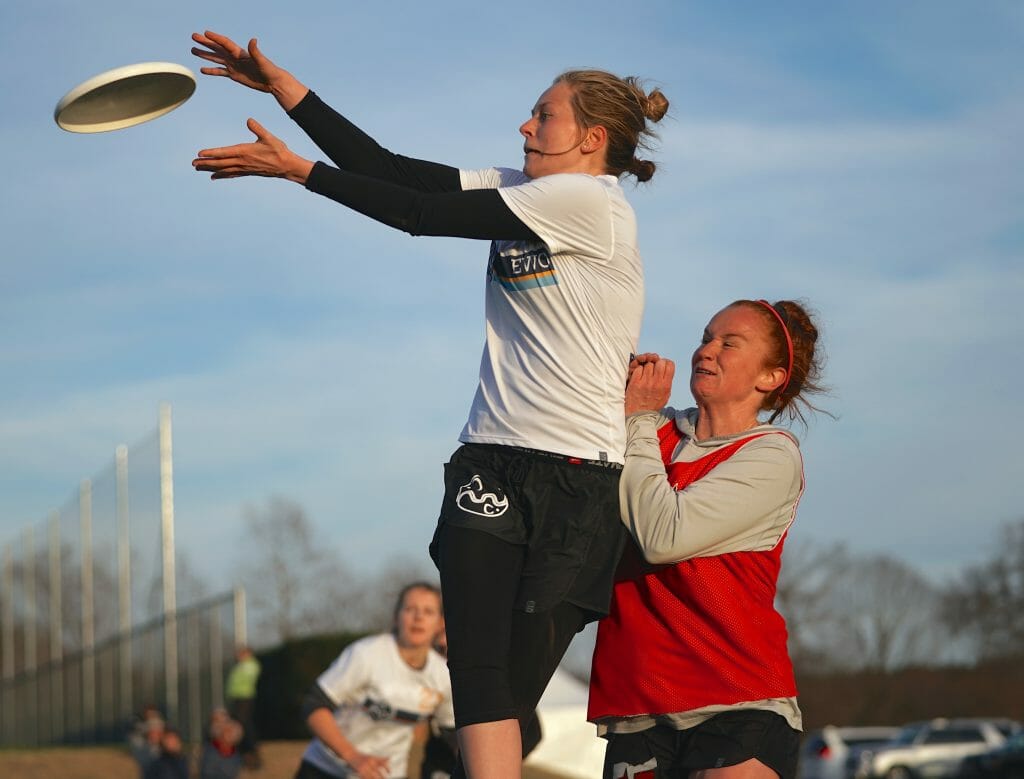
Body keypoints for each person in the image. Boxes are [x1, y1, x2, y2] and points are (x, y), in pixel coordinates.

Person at [190, 30, 669, 779]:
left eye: (543, 116)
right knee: (475, 679)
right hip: (490, 458)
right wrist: (287, 88)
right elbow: (389, 170)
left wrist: (297, 171)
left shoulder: (591, 204)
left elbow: (417, 212)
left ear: (592, 139)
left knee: (506, 700)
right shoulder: (523, 184)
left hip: (579, 481)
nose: (524, 126)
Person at [588, 299, 828, 779]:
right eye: (705, 337)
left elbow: (663, 536)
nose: (706, 351)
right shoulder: (650, 429)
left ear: (770, 378)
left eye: (729, 343)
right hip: (637, 701)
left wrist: (636, 420)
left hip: (738, 699)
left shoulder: (771, 456)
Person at [294, 581, 454, 779]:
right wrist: (352, 756)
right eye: (410, 609)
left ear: (441, 623)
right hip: (325, 770)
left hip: (388, 774)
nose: (418, 617)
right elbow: (313, 706)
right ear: (396, 617)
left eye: (428, 611)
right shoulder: (367, 654)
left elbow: (452, 734)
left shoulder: (442, 675)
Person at [225, 644, 262, 767]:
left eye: (241, 653)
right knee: (238, 722)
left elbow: (244, 680)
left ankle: (251, 747)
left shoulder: (250, 665)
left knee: (243, 722)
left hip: (245, 697)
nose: (238, 656)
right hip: (238, 697)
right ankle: (242, 749)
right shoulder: (241, 665)